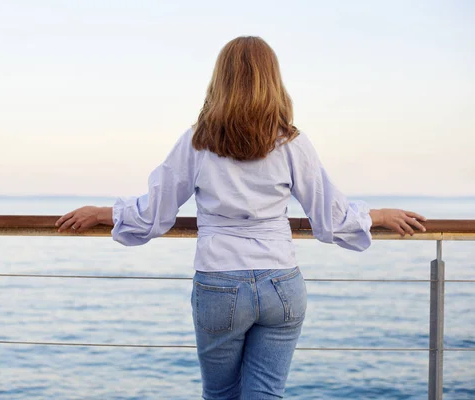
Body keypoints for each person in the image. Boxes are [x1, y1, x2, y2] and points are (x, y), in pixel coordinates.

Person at [55, 36, 427, 399]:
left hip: (220, 282)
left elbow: (155, 213)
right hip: (282, 284)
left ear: (220, 80)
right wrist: (378, 215)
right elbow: (330, 219)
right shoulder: (291, 143)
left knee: (220, 395)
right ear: (273, 81)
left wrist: (105, 213)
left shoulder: (198, 141)